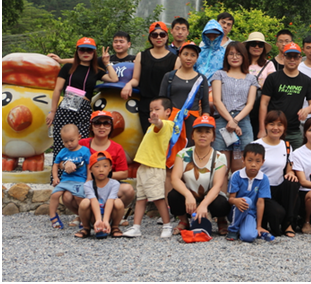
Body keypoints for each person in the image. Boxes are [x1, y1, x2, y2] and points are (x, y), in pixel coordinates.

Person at [47, 37, 118, 182]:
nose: (86, 53)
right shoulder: (68, 68)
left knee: (83, 142)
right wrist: (52, 111)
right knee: (62, 142)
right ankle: (57, 178)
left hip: (84, 108)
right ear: (77, 51)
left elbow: (114, 79)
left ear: (94, 53)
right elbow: (57, 90)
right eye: (82, 50)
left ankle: (82, 178)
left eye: (89, 50)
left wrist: (107, 63)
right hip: (66, 107)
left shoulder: (96, 70)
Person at [123, 97, 176, 238]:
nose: (153, 112)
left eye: (157, 109)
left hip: (154, 167)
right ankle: (136, 227)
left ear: (168, 111)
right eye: (151, 110)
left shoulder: (167, 124)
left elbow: (160, 125)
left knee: (158, 198)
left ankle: (167, 225)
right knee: (140, 198)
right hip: (144, 166)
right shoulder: (151, 127)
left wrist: (157, 121)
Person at [169, 115, 230, 237]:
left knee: (221, 203)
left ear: (213, 137)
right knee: (173, 195)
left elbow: (218, 185)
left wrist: (203, 205)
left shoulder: (220, 157)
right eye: (199, 131)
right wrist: (188, 195)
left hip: (210, 197)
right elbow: (174, 179)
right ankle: (184, 221)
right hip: (190, 198)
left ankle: (221, 220)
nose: (203, 135)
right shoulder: (183, 154)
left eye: (207, 132)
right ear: (192, 135)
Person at [122, 22, 178, 136]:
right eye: (155, 35)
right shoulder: (141, 56)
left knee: (163, 137)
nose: (158, 37)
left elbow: (174, 85)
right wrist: (128, 84)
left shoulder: (175, 59)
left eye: (162, 35)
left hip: (164, 106)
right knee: (148, 136)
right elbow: (136, 79)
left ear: (167, 37)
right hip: (146, 104)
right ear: (150, 37)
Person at [79, 110, 135, 222]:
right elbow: (63, 158)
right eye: (97, 123)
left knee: (128, 190)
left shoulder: (117, 148)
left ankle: (114, 215)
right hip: (85, 182)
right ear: (91, 126)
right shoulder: (82, 144)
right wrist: (66, 164)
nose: (102, 127)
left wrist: (103, 175)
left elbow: (124, 173)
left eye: (106, 123)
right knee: (67, 195)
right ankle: (82, 216)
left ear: (111, 127)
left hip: (107, 184)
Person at [259, 42, 311, 150]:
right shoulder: (273, 78)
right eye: (289, 56)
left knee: (296, 159)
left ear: (300, 58)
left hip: (294, 130)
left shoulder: (306, 80)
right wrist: (262, 129)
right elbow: (264, 103)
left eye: (295, 57)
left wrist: (307, 110)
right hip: (273, 128)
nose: (292, 59)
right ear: (283, 57)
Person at [211, 41, 258, 168]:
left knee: (241, 165)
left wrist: (235, 121)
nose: (234, 57)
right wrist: (230, 121)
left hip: (243, 121)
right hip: (222, 120)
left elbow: (250, 104)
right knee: (221, 166)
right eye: (231, 54)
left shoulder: (251, 78)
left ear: (244, 56)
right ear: (226, 56)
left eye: (238, 54)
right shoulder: (219, 74)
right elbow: (217, 101)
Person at [255, 111, 300, 238]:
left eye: (280, 124)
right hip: (263, 190)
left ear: (284, 127)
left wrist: (291, 173)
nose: (276, 128)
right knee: (277, 213)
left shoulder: (286, 146)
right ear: (266, 125)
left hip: (279, 188)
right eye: (272, 124)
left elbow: (289, 169)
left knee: (292, 182)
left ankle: (288, 224)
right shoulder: (257, 145)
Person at [159, 42, 210, 148]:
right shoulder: (169, 77)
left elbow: (205, 105)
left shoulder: (201, 79)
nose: (189, 58)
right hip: (172, 121)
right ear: (179, 55)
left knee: (190, 150)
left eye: (193, 55)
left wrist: (204, 125)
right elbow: (162, 102)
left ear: (197, 58)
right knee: (170, 149)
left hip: (193, 121)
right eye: (185, 54)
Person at [226, 143, 274, 242]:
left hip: (250, 214)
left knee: (249, 237)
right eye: (250, 160)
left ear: (263, 162)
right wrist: (235, 201)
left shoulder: (263, 178)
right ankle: (233, 229)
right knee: (246, 200)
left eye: (258, 161)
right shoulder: (236, 175)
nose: (253, 164)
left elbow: (260, 202)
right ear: (243, 160)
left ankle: (244, 229)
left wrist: (259, 226)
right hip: (236, 211)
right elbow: (230, 199)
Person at [49, 124, 91, 229]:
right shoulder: (63, 151)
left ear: (79, 137)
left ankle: (84, 217)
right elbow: (55, 164)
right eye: (66, 141)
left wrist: (89, 179)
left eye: (72, 140)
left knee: (79, 197)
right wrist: (55, 177)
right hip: (65, 180)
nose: (69, 144)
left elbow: (89, 165)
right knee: (54, 195)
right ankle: (53, 217)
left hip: (80, 180)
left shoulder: (84, 151)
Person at [75, 151, 124, 239]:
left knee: (118, 202)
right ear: (90, 169)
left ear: (110, 168)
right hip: (94, 216)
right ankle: (86, 227)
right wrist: (98, 220)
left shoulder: (114, 183)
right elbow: (93, 200)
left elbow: (110, 200)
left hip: (109, 216)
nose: (101, 169)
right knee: (85, 202)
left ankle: (114, 227)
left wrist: (105, 220)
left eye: (105, 166)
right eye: (97, 166)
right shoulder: (88, 185)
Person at [243, 32, 276, 138]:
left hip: (261, 105)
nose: (257, 47)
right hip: (242, 103)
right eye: (253, 44)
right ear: (248, 46)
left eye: (260, 45)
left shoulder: (269, 64)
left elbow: (271, 84)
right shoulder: (241, 63)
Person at [48, 31, 136, 67]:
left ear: (129, 44)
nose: (118, 44)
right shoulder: (106, 59)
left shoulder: (135, 59)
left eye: (121, 42)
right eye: (115, 42)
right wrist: (61, 60)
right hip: (108, 93)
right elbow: (82, 60)